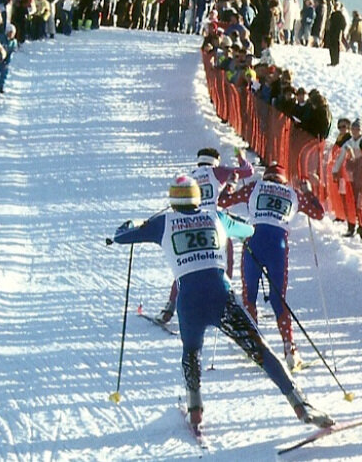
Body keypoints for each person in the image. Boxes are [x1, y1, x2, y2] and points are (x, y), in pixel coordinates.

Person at [112, 175, 333, 431]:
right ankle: (300, 403)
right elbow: (248, 230)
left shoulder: (163, 222)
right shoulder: (216, 216)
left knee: (191, 351)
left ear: (172, 200)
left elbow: (121, 236)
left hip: (189, 301)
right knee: (260, 349)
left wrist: (134, 223)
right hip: (222, 298)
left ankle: (195, 407)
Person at [219, 163, 323, 371]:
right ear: (284, 180)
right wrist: (309, 192)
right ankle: (289, 348)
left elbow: (223, 202)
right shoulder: (293, 194)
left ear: (266, 177)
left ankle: (254, 345)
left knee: (249, 295)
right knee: (278, 298)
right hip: (278, 246)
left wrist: (230, 183)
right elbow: (318, 214)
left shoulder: (255, 187)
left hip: (254, 240)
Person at [156, 147, 253, 324]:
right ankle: (224, 305)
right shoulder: (217, 171)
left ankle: (169, 307)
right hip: (214, 223)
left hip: (191, 224)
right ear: (215, 160)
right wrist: (241, 158)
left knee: (186, 267)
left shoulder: (191, 176)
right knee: (225, 263)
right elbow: (248, 171)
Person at [0, 24, 18, 94]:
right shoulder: (0, 38)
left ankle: (0, 87)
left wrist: (7, 60)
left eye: (13, 33)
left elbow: (12, 52)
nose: (11, 35)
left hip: (6, 59)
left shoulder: (14, 42)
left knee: (4, 72)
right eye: (10, 32)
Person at [325, 2, 346, 66]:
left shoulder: (340, 15)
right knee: (331, 47)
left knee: (336, 47)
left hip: (337, 33)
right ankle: (332, 61)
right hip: (331, 32)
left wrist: (341, 31)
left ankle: (336, 61)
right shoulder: (333, 14)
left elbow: (344, 24)